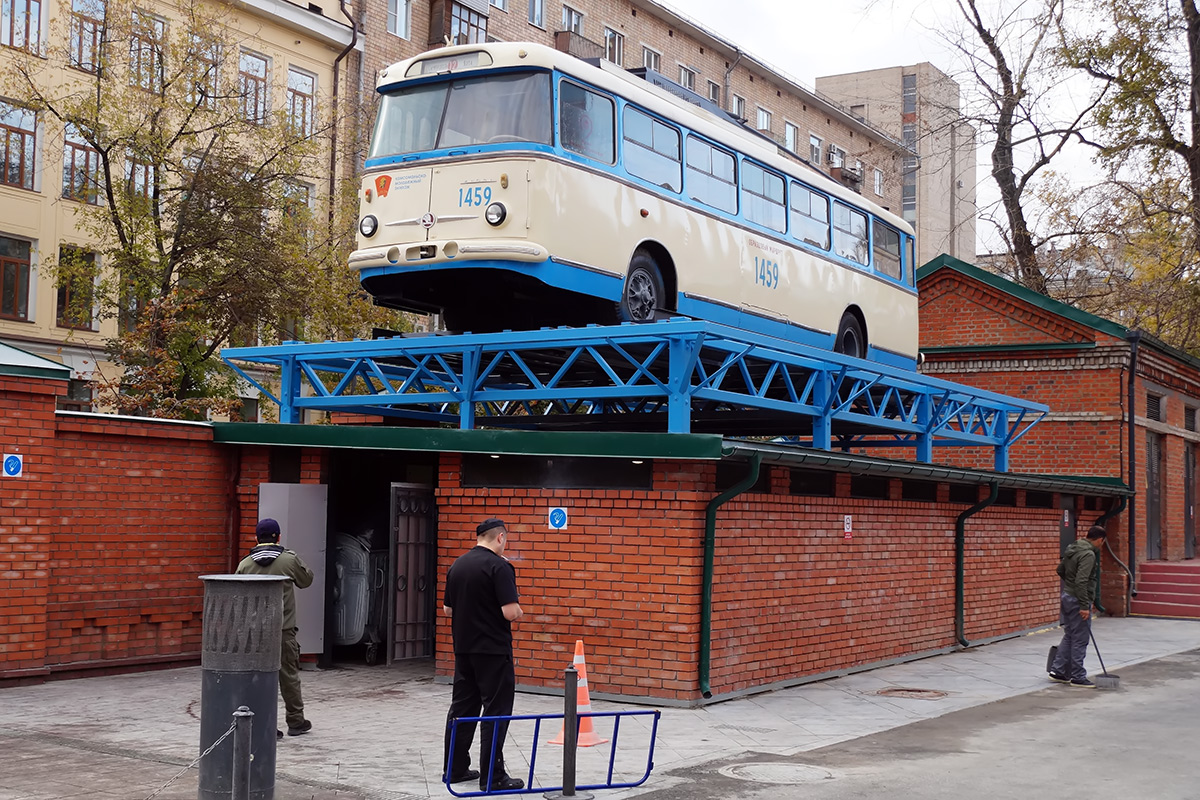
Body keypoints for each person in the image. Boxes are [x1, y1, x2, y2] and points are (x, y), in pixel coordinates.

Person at [442, 517, 525, 792]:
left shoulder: (457, 565)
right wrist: (520, 612)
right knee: (495, 711)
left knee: (462, 709)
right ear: (500, 537)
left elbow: (448, 610)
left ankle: (454, 769)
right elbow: (510, 612)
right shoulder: (499, 567)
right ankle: (493, 776)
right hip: (492, 651)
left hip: (463, 649)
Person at [236, 518, 314, 737]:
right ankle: (296, 722)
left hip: (254, 633)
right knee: (288, 676)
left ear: (256, 538)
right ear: (278, 537)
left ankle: (264, 724)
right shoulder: (288, 560)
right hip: (282, 630)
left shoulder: (245, 564)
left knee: (258, 678)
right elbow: (307, 580)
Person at [1049, 525, 1106, 688]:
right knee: (1080, 638)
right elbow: (1082, 580)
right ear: (1100, 540)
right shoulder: (1088, 554)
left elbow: (1060, 570)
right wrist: (1083, 605)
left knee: (1070, 635)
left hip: (1067, 596)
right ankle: (1078, 676)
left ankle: (1058, 671)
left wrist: (1070, 586)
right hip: (1078, 599)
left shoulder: (1073, 548)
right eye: (1102, 543)